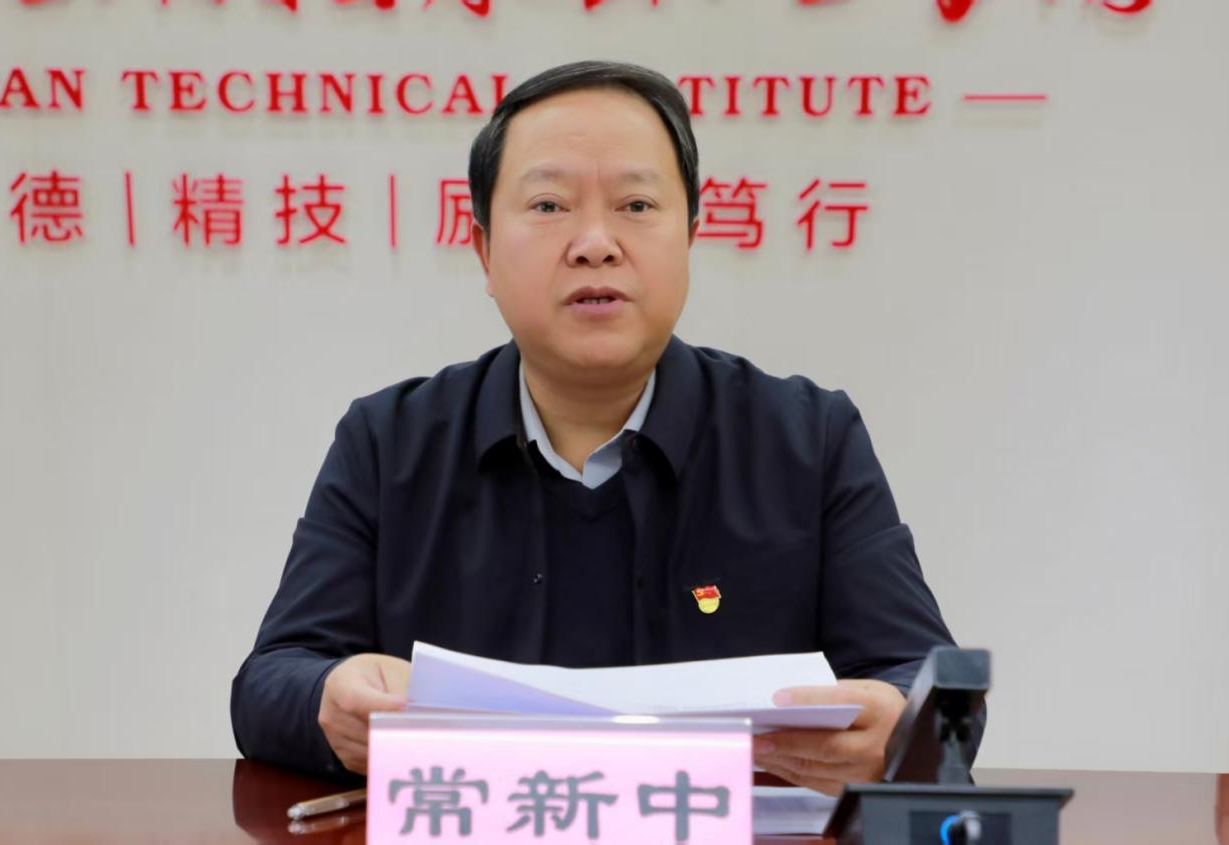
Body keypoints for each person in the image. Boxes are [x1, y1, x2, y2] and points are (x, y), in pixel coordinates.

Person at [231, 60, 969, 796]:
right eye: (549, 205)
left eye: (636, 205)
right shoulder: (390, 441)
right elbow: (271, 680)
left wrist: (897, 729)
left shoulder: (806, 441)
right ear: (484, 251)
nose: (594, 242)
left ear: (690, 237)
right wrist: (330, 701)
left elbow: (925, 682)